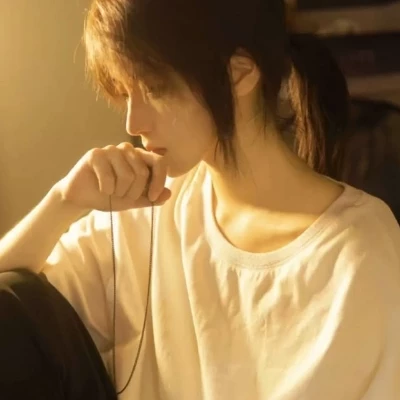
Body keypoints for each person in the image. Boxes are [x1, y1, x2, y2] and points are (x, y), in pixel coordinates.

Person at [0, 0, 399, 399]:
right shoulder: (148, 214)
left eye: (155, 88)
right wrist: (63, 202)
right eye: (125, 91)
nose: (134, 123)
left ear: (239, 74)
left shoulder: (357, 256)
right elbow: (9, 306)